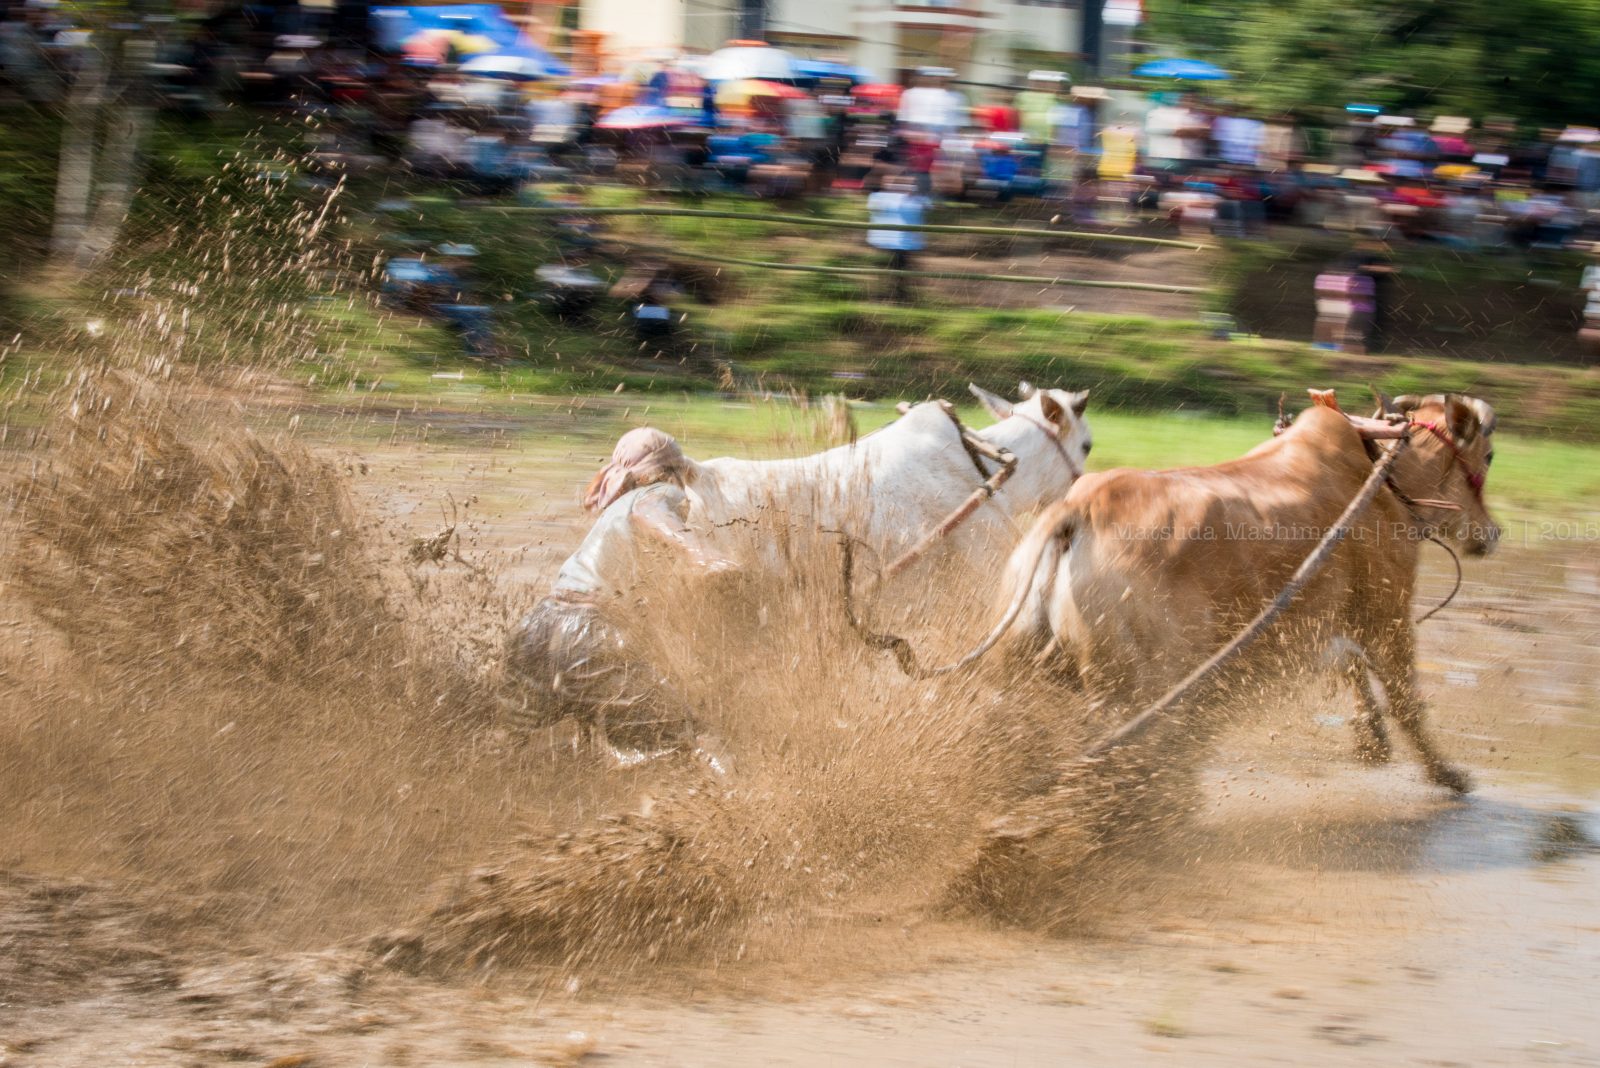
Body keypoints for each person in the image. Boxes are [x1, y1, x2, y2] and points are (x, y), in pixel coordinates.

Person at [503, 429, 737, 763]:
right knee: (695, 741)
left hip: (535, 631)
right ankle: (742, 807)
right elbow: (653, 513)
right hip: (589, 635)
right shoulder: (660, 493)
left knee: (512, 746)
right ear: (670, 471)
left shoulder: (612, 513)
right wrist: (703, 554)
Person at [867, 172, 930, 302]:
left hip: (906, 244)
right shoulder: (878, 196)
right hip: (883, 242)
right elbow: (876, 207)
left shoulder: (917, 198)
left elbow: (928, 206)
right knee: (885, 271)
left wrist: (912, 196)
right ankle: (882, 296)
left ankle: (901, 297)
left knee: (902, 272)